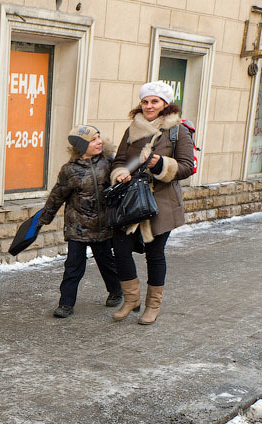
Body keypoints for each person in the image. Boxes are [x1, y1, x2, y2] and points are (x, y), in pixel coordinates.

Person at [110, 81, 196, 325]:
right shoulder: (132, 130)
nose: (148, 106)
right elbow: (119, 160)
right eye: (145, 101)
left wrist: (161, 165)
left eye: (154, 101)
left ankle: (152, 305)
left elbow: (187, 166)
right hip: (131, 199)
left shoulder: (177, 130)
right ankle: (131, 299)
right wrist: (120, 174)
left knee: (155, 253)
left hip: (161, 202)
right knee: (121, 248)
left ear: (165, 104)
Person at [37, 124, 122, 318]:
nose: (99, 141)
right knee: (73, 266)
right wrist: (44, 218)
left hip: (102, 225)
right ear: (81, 146)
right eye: (93, 139)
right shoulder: (69, 170)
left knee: (106, 262)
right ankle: (66, 304)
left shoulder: (109, 162)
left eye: (99, 137)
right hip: (78, 226)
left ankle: (116, 291)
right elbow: (57, 195)